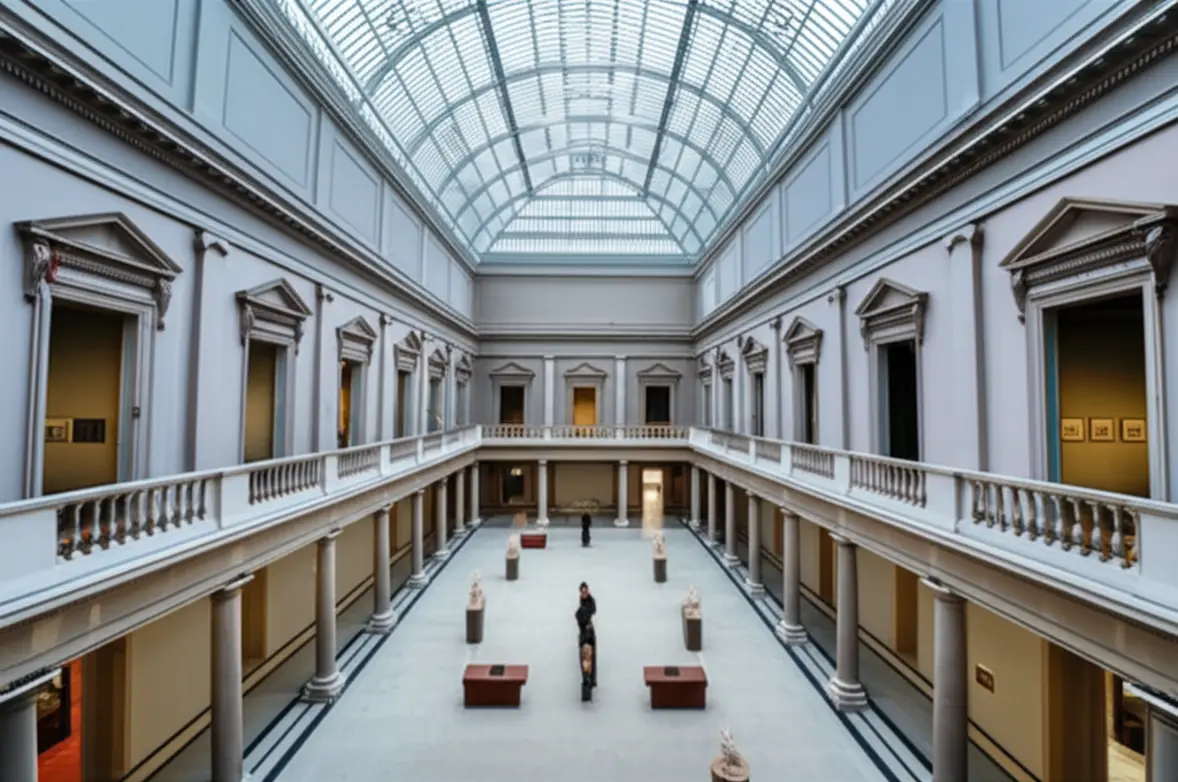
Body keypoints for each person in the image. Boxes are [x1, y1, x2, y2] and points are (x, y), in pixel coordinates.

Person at [576, 603, 597, 692]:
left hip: (586, 643)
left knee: (587, 664)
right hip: (586, 644)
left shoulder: (585, 626)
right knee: (586, 663)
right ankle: (588, 681)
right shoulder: (585, 627)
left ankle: (589, 681)